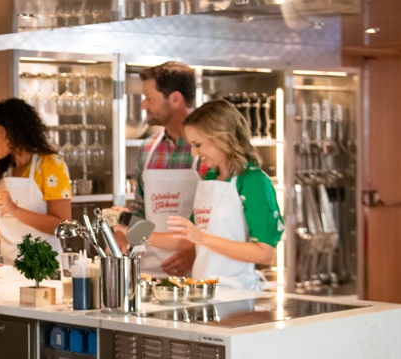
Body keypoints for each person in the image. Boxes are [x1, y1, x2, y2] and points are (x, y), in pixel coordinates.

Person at [167, 99, 284, 291]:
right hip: (203, 292)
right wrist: (130, 230)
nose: (194, 153)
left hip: (238, 294)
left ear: (222, 138)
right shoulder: (211, 178)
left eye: (198, 144)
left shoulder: (253, 181)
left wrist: (202, 238)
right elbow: (186, 238)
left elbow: (264, 253)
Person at [122, 61, 201, 278]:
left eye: (149, 98)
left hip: (196, 276)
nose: (143, 105)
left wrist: (197, 252)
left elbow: (219, 219)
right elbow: (141, 210)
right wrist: (124, 238)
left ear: (175, 99)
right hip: (151, 273)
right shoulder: (148, 147)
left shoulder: (208, 147)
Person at [0, 98, 72, 262]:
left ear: (12, 131)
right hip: (9, 269)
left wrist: (15, 211)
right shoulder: (5, 172)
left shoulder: (50, 165)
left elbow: (63, 226)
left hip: (45, 270)